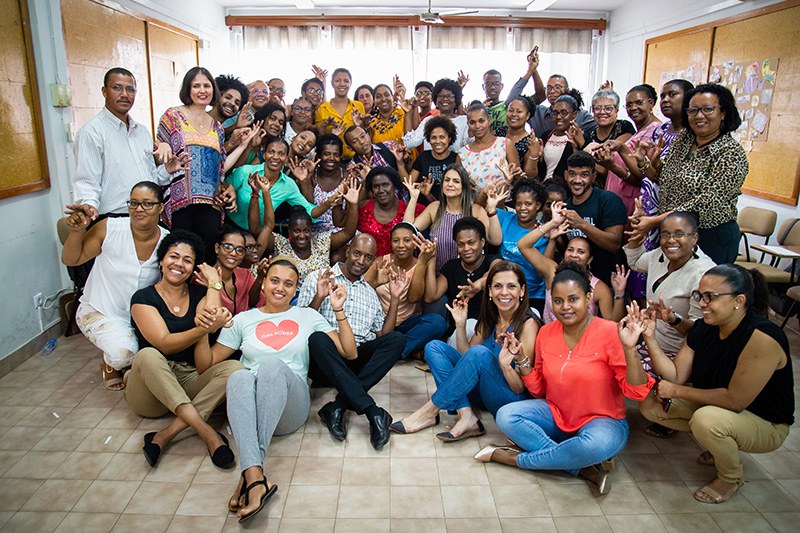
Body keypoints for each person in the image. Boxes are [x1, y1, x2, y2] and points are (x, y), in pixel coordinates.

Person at [477, 263, 654, 495]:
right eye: (558, 301)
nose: (565, 307)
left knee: (595, 445)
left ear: (589, 297)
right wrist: (520, 359)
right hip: (556, 413)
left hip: (602, 421)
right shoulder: (547, 333)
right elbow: (539, 390)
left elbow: (636, 392)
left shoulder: (611, 332)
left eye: (573, 299)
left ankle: (514, 459)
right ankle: (583, 469)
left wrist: (630, 350)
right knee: (506, 416)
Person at [204, 259, 355, 522]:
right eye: (274, 281)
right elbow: (208, 363)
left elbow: (349, 352)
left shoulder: (307, 315)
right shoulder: (243, 319)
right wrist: (202, 329)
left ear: (296, 290)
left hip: (291, 404)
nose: (280, 288)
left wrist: (338, 310)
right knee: (238, 377)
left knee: (271, 365)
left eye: (288, 284)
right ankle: (255, 477)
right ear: (263, 283)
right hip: (250, 408)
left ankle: (250, 474)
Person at [638, 264, 794, 503]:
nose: (702, 303)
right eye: (700, 296)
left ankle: (730, 477)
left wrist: (677, 391)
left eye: (710, 297)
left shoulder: (762, 337)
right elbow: (676, 375)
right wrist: (649, 336)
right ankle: (720, 444)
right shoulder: (704, 327)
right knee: (651, 406)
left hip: (765, 421)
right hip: (720, 407)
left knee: (707, 421)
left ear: (738, 300)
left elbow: (735, 400)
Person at [125, 230, 242, 468]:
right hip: (151, 391)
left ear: (194, 268)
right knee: (148, 354)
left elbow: (209, 326)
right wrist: (203, 329)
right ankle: (207, 433)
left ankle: (165, 435)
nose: (179, 264)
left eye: (187, 260)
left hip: (187, 380)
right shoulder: (143, 298)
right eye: (173, 256)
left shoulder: (199, 294)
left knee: (235, 368)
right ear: (161, 261)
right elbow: (165, 343)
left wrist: (214, 285)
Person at [390, 261, 539, 441]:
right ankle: (466, 414)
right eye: (498, 286)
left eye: (512, 286)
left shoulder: (528, 324)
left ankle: (429, 411)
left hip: (507, 399)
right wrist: (460, 325)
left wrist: (505, 366)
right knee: (434, 347)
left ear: (522, 291)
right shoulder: (491, 317)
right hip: (482, 392)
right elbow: (466, 355)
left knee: (480, 353)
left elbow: (520, 387)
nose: (504, 292)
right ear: (490, 291)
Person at [298, 234, 406, 450]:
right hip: (325, 360)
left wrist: (395, 298)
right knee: (318, 339)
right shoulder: (319, 278)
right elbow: (301, 324)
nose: (361, 261)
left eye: (368, 257)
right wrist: (320, 296)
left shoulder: (370, 293)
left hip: (355, 359)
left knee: (397, 339)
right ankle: (373, 411)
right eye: (357, 253)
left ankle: (338, 406)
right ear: (348, 251)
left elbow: (383, 334)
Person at [62, 182, 170, 390]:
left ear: (160, 207)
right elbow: (72, 259)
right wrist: (77, 232)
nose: (139, 209)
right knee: (125, 355)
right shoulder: (110, 228)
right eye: (134, 203)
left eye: (147, 204)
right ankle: (110, 362)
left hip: (141, 317)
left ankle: (124, 352)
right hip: (100, 311)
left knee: (164, 355)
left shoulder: (167, 241)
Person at [631, 84, 748, 264]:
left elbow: (707, 202)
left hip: (710, 236)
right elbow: (662, 178)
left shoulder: (731, 152)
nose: (699, 116)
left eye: (708, 109)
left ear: (723, 112)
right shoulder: (685, 139)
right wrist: (643, 161)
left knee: (705, 289)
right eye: (693, 110)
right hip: (675, 233)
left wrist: (655, 220)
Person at [624, 211, 715, 437]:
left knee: (639, 384)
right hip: (652, 337)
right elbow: (635, 261)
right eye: (665, 235)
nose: (671, 241)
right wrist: (637, 235)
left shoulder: (703, 273)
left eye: (679, 234)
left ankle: (671, 408)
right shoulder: (659, 255)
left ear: (695, 238)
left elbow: (700, 330)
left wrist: (673, 320)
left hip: (680, 353)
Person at [71, 67, 184, 219]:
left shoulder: (142, 131)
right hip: (114, 219)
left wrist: (166, 170)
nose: (124, 94)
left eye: (130, 89)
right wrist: (88, 206)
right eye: (117, 88)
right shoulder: (91, 133)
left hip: (147, 217)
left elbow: (149, 179)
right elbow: (86, 182)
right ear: (104, 91)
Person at [157, 67, 227, 264]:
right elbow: (157, 152)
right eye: (196, 86)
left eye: (207, 85)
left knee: (206, 256)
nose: (202, 90)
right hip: (180, 200)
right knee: (179, 254)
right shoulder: (172, 116)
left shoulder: (217, 127)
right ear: (188, 89)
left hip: (209, 202)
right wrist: (162, 144)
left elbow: (220, 165)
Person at [518, 201, 627, 324]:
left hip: (584, 341)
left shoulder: (598, 287)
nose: (574, 255)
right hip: (550, 338)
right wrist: (553, 223)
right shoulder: (553, 271)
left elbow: (612, 324)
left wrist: (619, 293)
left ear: (590, 259)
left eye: (581, 252)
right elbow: (523, 245)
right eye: (570, 250)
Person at [251, 175, 360, 286]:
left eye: (306, 231)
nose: (302, 235)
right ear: (289, 231)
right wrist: (263, 193)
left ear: (311, 230)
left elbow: (348, 233)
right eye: (297, 231)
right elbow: (259, 229)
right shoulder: (280, 244)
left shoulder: (321, 242)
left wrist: (353, 204)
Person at [364, 222, 448, 359]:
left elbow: (414, 298)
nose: (401, 245)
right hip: (379, 325)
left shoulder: (419, 264)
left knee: (437, 322)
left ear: (415, 243)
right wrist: (377, 282)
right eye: (396, 241)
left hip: (406, 325)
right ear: (391, 243)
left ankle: (393, 352)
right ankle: (405, 352)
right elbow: (361, 291)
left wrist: (422, 262)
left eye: (407, 240)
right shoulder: (380, 262)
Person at [404, 164, 502, 273]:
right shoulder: (434, 208)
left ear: (464, 186)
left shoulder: (476, 210)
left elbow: (495, 240)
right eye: (447, 180)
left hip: (468, 277)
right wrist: (413, 198)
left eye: (456, 181)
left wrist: (492, 209)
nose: (450, 184)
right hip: (437, 276)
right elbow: (407, 230)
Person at [417, 218, 502, 343]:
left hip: (490, 332)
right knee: (433, 347)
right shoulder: (452, 267)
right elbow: (431, 296)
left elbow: (496, 273)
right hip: (459, 332)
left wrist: (478, 285)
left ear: (482, 242)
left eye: (471, 242)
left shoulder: (493, 260)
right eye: (461, 244)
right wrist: (431, 259)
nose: (466, 248)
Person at [226, 138, 335, 231]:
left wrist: (329, 202)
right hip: (228, 224)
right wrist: (229, 188)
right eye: (271, 152)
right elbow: (223, 186)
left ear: (286, 158)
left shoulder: (288, 185)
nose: (276, 157)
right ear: (264, 155)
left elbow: (311, 212)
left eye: (281, 154)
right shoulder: (246, 171)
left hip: (256, 233)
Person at [637, 79, 694, 253]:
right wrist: (642, 161)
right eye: (662, 96)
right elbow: (653, 173)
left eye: (672, 94)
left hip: (672, 208)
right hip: (649, 199)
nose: (665, 100)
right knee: (644, 256)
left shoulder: (691, 136)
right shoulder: (660, 130)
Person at [593, 84, 662, 217]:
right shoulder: (640, 131)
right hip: (620, 195)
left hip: (634, 198)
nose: (633, 108)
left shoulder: (654, 131)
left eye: (639, 103)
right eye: (629, 105)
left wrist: (617, 155)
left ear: (651, 103)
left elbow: (644, 176)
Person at [562, 151, 627, 286]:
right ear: (566, 176)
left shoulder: (608, 200)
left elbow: (614, 244)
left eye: (584, 175)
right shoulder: (565, 207)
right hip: (577, 284)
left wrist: (582, 224)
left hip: (611, 283)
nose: (577, 180)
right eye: (572, 174)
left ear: (593, 176)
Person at [358, 166, 425, 256]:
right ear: (372, 190)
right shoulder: (364, 208)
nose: (381, 190)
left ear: (395, 186)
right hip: (369, 267)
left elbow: (438, 212)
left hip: (401, 267)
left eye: (385, 185)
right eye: (376, 186)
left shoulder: (410, 208)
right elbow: (341, 223)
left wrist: (427, 195)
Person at [456, 103, 521, 196]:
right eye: (472, 122)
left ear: (489, 121)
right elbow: (458, 183)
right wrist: (465, 184)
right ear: (468, 124)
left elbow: (517, 178)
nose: (477, 126)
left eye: (481, 121)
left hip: (503, 206)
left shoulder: (505, 144)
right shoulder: (462, 154)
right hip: (476, 207)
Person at [508, 69, 596, 134]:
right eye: (549, 88)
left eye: (557, 87)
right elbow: (512, 101)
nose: (552, 91)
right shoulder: (538, 112)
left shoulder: (580, 115)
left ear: (567, 90)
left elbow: (603, 125)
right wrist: (531, 70)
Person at [527, 95, 587, 184]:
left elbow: (584, 168)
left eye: (564, 113)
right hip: (543, 188)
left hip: (564, 191)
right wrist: (537, 156)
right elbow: (538, 171)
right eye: (555, 113)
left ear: (574, 114)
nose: (558, 117)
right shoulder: (546, 135)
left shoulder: (581, 138)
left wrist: (578, 148)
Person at [208, 228, 265, 316]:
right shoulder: (204, 276)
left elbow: (254, 302)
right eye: (228, 247)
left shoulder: (245, 275)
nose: (234, 253)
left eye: (240, 250)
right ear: (217, 248)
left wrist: (260, 278)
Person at [403, 78, 470, 152]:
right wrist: (408, 113)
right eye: (440, 96)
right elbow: (409, 143)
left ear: (456, 99)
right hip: (430, 163)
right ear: (435, 99)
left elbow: (470, 145)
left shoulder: (464, 121)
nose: (444, 99)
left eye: (449, 96)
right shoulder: (428, 121)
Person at [299, 133, 347, 233]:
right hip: (314, 232)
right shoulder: (312, 175)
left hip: (340, 233)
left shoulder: (347, 177)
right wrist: (305, 180)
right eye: (326, 154)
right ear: (319, 155)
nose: (331, 158)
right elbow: (309, 207)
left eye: (336, 155)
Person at [315, 68, 366, 159]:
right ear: (332, 83)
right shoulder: (322, 109)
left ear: (350, 83)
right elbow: (320, 139)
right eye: (337, 80)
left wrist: (358, 125)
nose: (342, 84)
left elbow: (364, 134)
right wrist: (327, 129)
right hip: (332, 160)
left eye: (346, 81)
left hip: (357, 158)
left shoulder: (358, 106)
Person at [408, 116, 459, 202]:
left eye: (442, 137)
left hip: (449, 209)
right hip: (423, 208)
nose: (438, 141)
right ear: (429, 139)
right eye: (434, 137)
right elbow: (409, 184)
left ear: (449, 139)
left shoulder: (456, 158)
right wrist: (400, 163)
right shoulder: (423, 157)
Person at [496, 96, 539, 175]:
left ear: (527, 115)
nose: (514, 114)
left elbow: (530, 175)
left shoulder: (530, 141)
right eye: (511, 110)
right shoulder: (499, 132)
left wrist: (534, 154)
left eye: (519, 112)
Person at [210, 74, 250, 138]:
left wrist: (236, 126)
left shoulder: (218, 129)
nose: (232, 103)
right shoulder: (194, 118)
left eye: (237, 103)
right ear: (217, 96)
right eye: (228, 97)